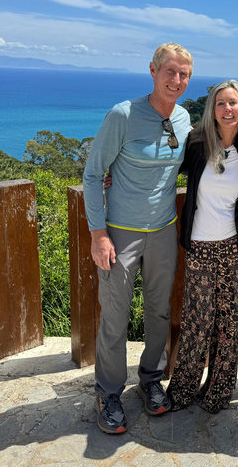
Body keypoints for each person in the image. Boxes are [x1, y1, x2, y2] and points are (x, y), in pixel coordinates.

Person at [82, 43, 193, 434]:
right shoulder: (123, 115)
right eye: (170, 72)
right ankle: (109, 391)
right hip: (120, 233)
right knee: (116, 315)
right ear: (152, 70)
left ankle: (150, 379)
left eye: (184, 75)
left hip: (164, 229)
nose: (176, 80)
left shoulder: (183, 118)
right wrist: (99, 235)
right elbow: (93, 175)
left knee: (159, 310)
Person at [166, 80, 238, 413]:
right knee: (197, 320)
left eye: (233, 103)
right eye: (220, 103)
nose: (227, 109)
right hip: (199, 244)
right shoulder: (196, 145)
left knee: (229, 321)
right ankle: (182, 389)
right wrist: (114, 175)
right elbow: (161, 170)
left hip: (234, 246)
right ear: (212, 109)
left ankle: (219, 390)